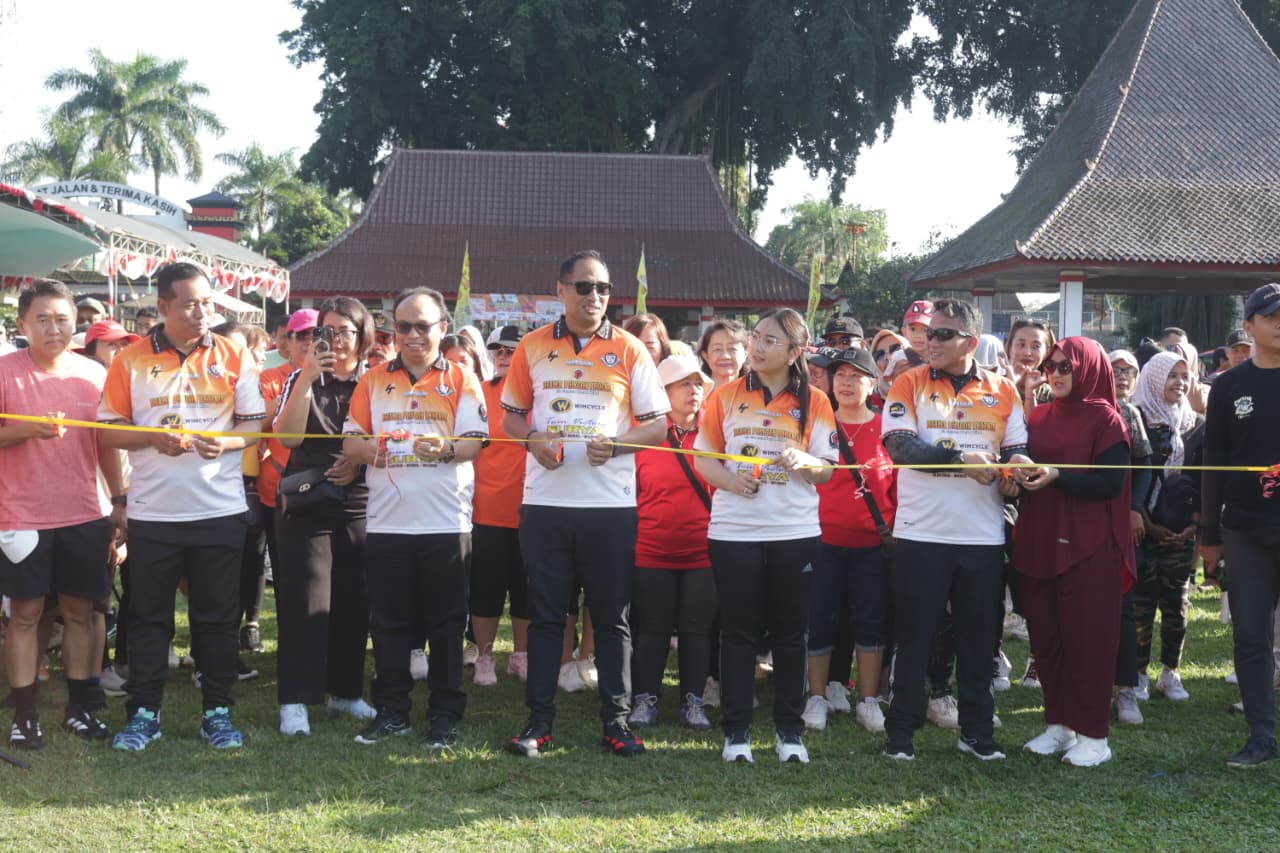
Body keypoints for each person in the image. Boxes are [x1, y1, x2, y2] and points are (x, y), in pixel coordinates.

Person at [501, 250, 670, 758]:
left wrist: (617, 445)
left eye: (603, 288)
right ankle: (539, 723)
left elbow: (658, 427)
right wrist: (531, 438)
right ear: (561, 290)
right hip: (546, 504)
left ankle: (616, 723)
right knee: (546, 617)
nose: (595, 296)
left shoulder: (629, 348)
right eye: (584, 287)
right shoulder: (532, 345)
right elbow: (511, 417)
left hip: (609, 507)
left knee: (612, 618)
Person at [99, 262, 265, 751]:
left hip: (219, 512)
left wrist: (227, 443)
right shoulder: (130, 359)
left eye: (208, 303)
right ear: (163, 306)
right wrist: (152, 437)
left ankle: (217, 711)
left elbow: (253, 425)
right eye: (190, 304)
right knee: (149, 619)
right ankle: (143, 713)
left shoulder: (234, 353)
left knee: (217, 618)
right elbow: (108, 430)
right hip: (153, 515)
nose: (202, 312)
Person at [880, 298, 1028, 762]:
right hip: (920, 534)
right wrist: (962, 460)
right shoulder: (908, 382)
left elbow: (1016, 452)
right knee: (914, 638)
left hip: (982, 536)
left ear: (970, 341)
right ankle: (900, 735)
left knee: (980, 641)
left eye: (943, 334)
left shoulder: (1003, 389)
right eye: (928, 333)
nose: (931, 341)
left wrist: (1016, 472)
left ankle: (976, 732)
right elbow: (900, 448)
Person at [341, 287, 486, 748]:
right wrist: (369, 449)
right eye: (403, 326)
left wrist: (446, 448)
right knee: (389, 624)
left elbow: (474, 443)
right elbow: (350, 440)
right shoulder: (372, 379)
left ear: (442, 328)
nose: (412, 335)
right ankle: (392, 711)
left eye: (422, 326)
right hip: (388, 522)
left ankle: (444, 715)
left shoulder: (462, 377)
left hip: (446, 522)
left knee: (447, 625)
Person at [693, 308, 837, 765]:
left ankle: (789, 732)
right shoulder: (724, 396)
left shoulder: (816, 400)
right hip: (734, 532)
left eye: (770, 341)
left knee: (791, 635)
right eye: (755, 337)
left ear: (795, 352)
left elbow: (827, 470)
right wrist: (731, 481)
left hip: (795, 532)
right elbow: (703, 458)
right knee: (737, 633)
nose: (756, 347)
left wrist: (805, 461)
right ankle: (736, 733)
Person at [0, 279, 124, 749]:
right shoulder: (5, 371)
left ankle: (79, 708)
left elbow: (106, 443)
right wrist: (25, 430)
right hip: (20, 516)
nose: (54, 328)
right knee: (25, 615)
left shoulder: (93, 374)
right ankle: (25, 713)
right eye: (43, 320)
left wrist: (118, 500)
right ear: (23, 324)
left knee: (80, 613)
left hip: (84, 513)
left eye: (62, 319)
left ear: (76, 324)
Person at [1014, 338, 1134, 767]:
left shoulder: (1107, 420)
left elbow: (1110, 484)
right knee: (1047, 640)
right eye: (1051, 366)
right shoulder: (1040, 415)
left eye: (1066, 366)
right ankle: (1059, 726)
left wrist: (1056, 475)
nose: (1056, 374)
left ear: (1089, 370)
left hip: (1089, 546)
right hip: (1041, 540)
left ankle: (1094, 736)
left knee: (1089, 642)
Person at [273, 297, 377, 736]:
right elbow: (287, 437)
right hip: (307, 499)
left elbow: (384, 439)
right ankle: (295, 698)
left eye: (345, 332)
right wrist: (308, 376)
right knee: (306, 600)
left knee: (355, 600)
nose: (336, 340)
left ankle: (346, 692)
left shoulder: (376, 381)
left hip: (359, 500)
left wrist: (356, 462)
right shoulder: (301, 377)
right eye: (327, 331)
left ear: (362, 336)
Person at [1201, 282, 1280, 767]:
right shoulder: (1229, 386)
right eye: (1271, 316)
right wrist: (1209, 536)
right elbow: (1213, 462)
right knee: (1251, 634)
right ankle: (1261, 735)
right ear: (1249, 326)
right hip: (1246, 529)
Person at [803, 346, 895, 734]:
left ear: (872, 383)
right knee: (820, 620)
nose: (846, 382)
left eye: (856, 376)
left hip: (873, 546)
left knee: (871, 622)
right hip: (823, 542)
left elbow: (898, 488)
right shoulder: (816, 424)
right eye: (840, 375)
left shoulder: (888, 429)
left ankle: (868, 700)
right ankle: (817, 697)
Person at [628, 354, 717, 731]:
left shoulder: (715, 432)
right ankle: (644, 698)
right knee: (651, 629)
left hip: (704, 550)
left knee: (697, 630)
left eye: (698, 383)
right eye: (684, 384)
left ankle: (693, 701)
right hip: (651, 548)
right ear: (663, 391)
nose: (693, 390)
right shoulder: (644, 433)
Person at [1132, 350, 1203, 704]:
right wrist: (1146, 522)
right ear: (1155, 379)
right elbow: (1130, 478)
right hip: (1142, 529)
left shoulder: (1197, 424)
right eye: (1172, 376)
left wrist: (1194, 524)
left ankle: (1170, 671)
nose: (1180, 383)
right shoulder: (1136, 419)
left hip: (1182, 530)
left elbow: (1204, 478)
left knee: (1176, 602)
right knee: (1142, 602)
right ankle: (1138, 674)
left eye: (1185, 376)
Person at [470, 326, 531, 686]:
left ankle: (520, 656)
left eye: (511, 351)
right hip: (488, 509)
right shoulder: (479, 392)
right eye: (498, 351)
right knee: (486, 590)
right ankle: (484, 657)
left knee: (526, 591)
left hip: (532, 509)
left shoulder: (540, 394)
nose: (504, 357)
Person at [1108, 349, 1153, 726]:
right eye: (1115, 369)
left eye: (1129, 371)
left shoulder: (1129, 413)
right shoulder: (1069, 407)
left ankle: (1126, 689)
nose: (1122, 376)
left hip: (1118, 525)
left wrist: (1134, 507)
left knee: (1122, 606)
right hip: (1076, 523)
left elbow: (1144, 465)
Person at [1005, 318, 1056, 417]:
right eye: (1021, 345)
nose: (1027, 353)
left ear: (1047, 352)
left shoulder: (1052, 395)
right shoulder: (993, 387)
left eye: (1036, 346)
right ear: (1010, 347)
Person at [698, 319, 748, 388]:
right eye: (717, 349)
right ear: (706, 356)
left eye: (732, 349)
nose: (725, 356)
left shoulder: (758, 392)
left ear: (745, 355)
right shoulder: (694, 392)